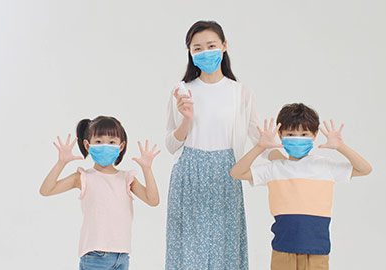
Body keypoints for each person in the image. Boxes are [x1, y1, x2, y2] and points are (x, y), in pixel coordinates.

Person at [165, 20, 282, 270]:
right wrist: (185, 119)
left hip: (226, 172)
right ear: (190, 52)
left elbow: (258, 138)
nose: (205, 52)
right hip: (189, 173)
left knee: (225, 251)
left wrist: (288, 160)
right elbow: (172, 145)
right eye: (197, 48)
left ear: (224, 46)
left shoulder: (240, 92)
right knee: (188, 252)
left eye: (211, 45)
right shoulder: (182, 91)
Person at [230, 103, 372, 270]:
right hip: (283, 248)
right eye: (290, 134)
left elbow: (365, 169)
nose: (298, 138)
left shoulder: (325, 167)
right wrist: (260, 147)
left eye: (304, 134)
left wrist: (341, 147)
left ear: (315, 135)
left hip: (317, 250)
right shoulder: (275, 168)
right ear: (280, 136)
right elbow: (236, 173)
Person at [39, 116, 161, 270]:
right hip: (95, 257)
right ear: (87, 145)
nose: (105, 146)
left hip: (122, 256)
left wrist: (147, 169)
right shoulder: (83, 177)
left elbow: (153, 200)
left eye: (112, 142)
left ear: (121, 146)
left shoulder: (126, 178)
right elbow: (46, 190)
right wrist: (61, 162)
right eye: (98, 141)